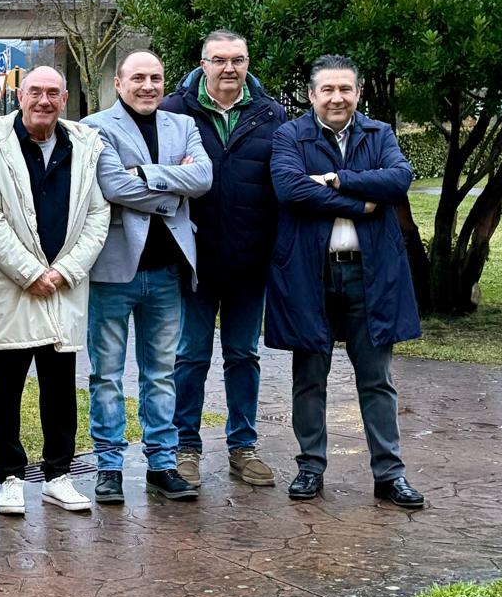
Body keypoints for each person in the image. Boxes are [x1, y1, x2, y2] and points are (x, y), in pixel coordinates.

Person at [268, 55, 424, 509]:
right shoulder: (289, 135)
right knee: (309, 377)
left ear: (358, 93)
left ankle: (389, 474)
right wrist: (361, 202)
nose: (337, 98)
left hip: (369, 273)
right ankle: (310, 468)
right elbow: (290, 189)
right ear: (312, 95)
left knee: (377, 379)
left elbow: (398, 180)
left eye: (346, 89)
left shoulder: (379, 134)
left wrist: (339, 179)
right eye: (328, 90)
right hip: (309, 273)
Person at [0, 67, 110, 515]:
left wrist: (66, 271)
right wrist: (31, 272)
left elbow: (97, 215)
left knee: (59, 385)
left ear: (65, 98)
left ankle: (58, 475)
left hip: (64, 287)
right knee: (7, 385)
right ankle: (10, 477)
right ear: (19, 94)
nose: (44, 101)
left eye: (53, 92)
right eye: (35, 91)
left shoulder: (84, 146)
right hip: (13, 287)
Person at [83, 51, 212, 504]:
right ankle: (110, 467)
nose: (148, 85)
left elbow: (203, 177)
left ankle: (162, 464)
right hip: (114, 272)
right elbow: (113, 186)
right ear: (118, 83)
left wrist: (148, 175)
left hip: (167, 273)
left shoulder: (183, 124)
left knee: (161, 375)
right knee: (107, 376)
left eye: (155, 78)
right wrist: (170, 194)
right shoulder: (96, 126)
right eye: (138, 77)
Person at [160, 31, 287, 488]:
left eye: (238, 60)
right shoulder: (174, 112)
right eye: (220, 60)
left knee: (243, 355)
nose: (229, 69)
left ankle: (243, 446)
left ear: (248, 62)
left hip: (251, 262)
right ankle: (186, 448)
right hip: (194, 260)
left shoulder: (271, 114)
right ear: (203, 63)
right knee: (190, 356)